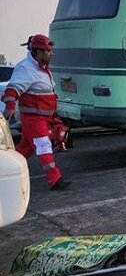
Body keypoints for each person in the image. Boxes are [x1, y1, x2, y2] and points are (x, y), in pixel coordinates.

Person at [1, 34, 71, 190]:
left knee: (25, 149)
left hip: (44, 118)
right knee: (43, 145)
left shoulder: (43, 69)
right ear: (38, 52)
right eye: (48, 51)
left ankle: (8, 172)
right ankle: (55, 179)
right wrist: (10, 107)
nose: (51, 54)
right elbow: (13, 89)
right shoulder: (26, 68)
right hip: (34, 119)